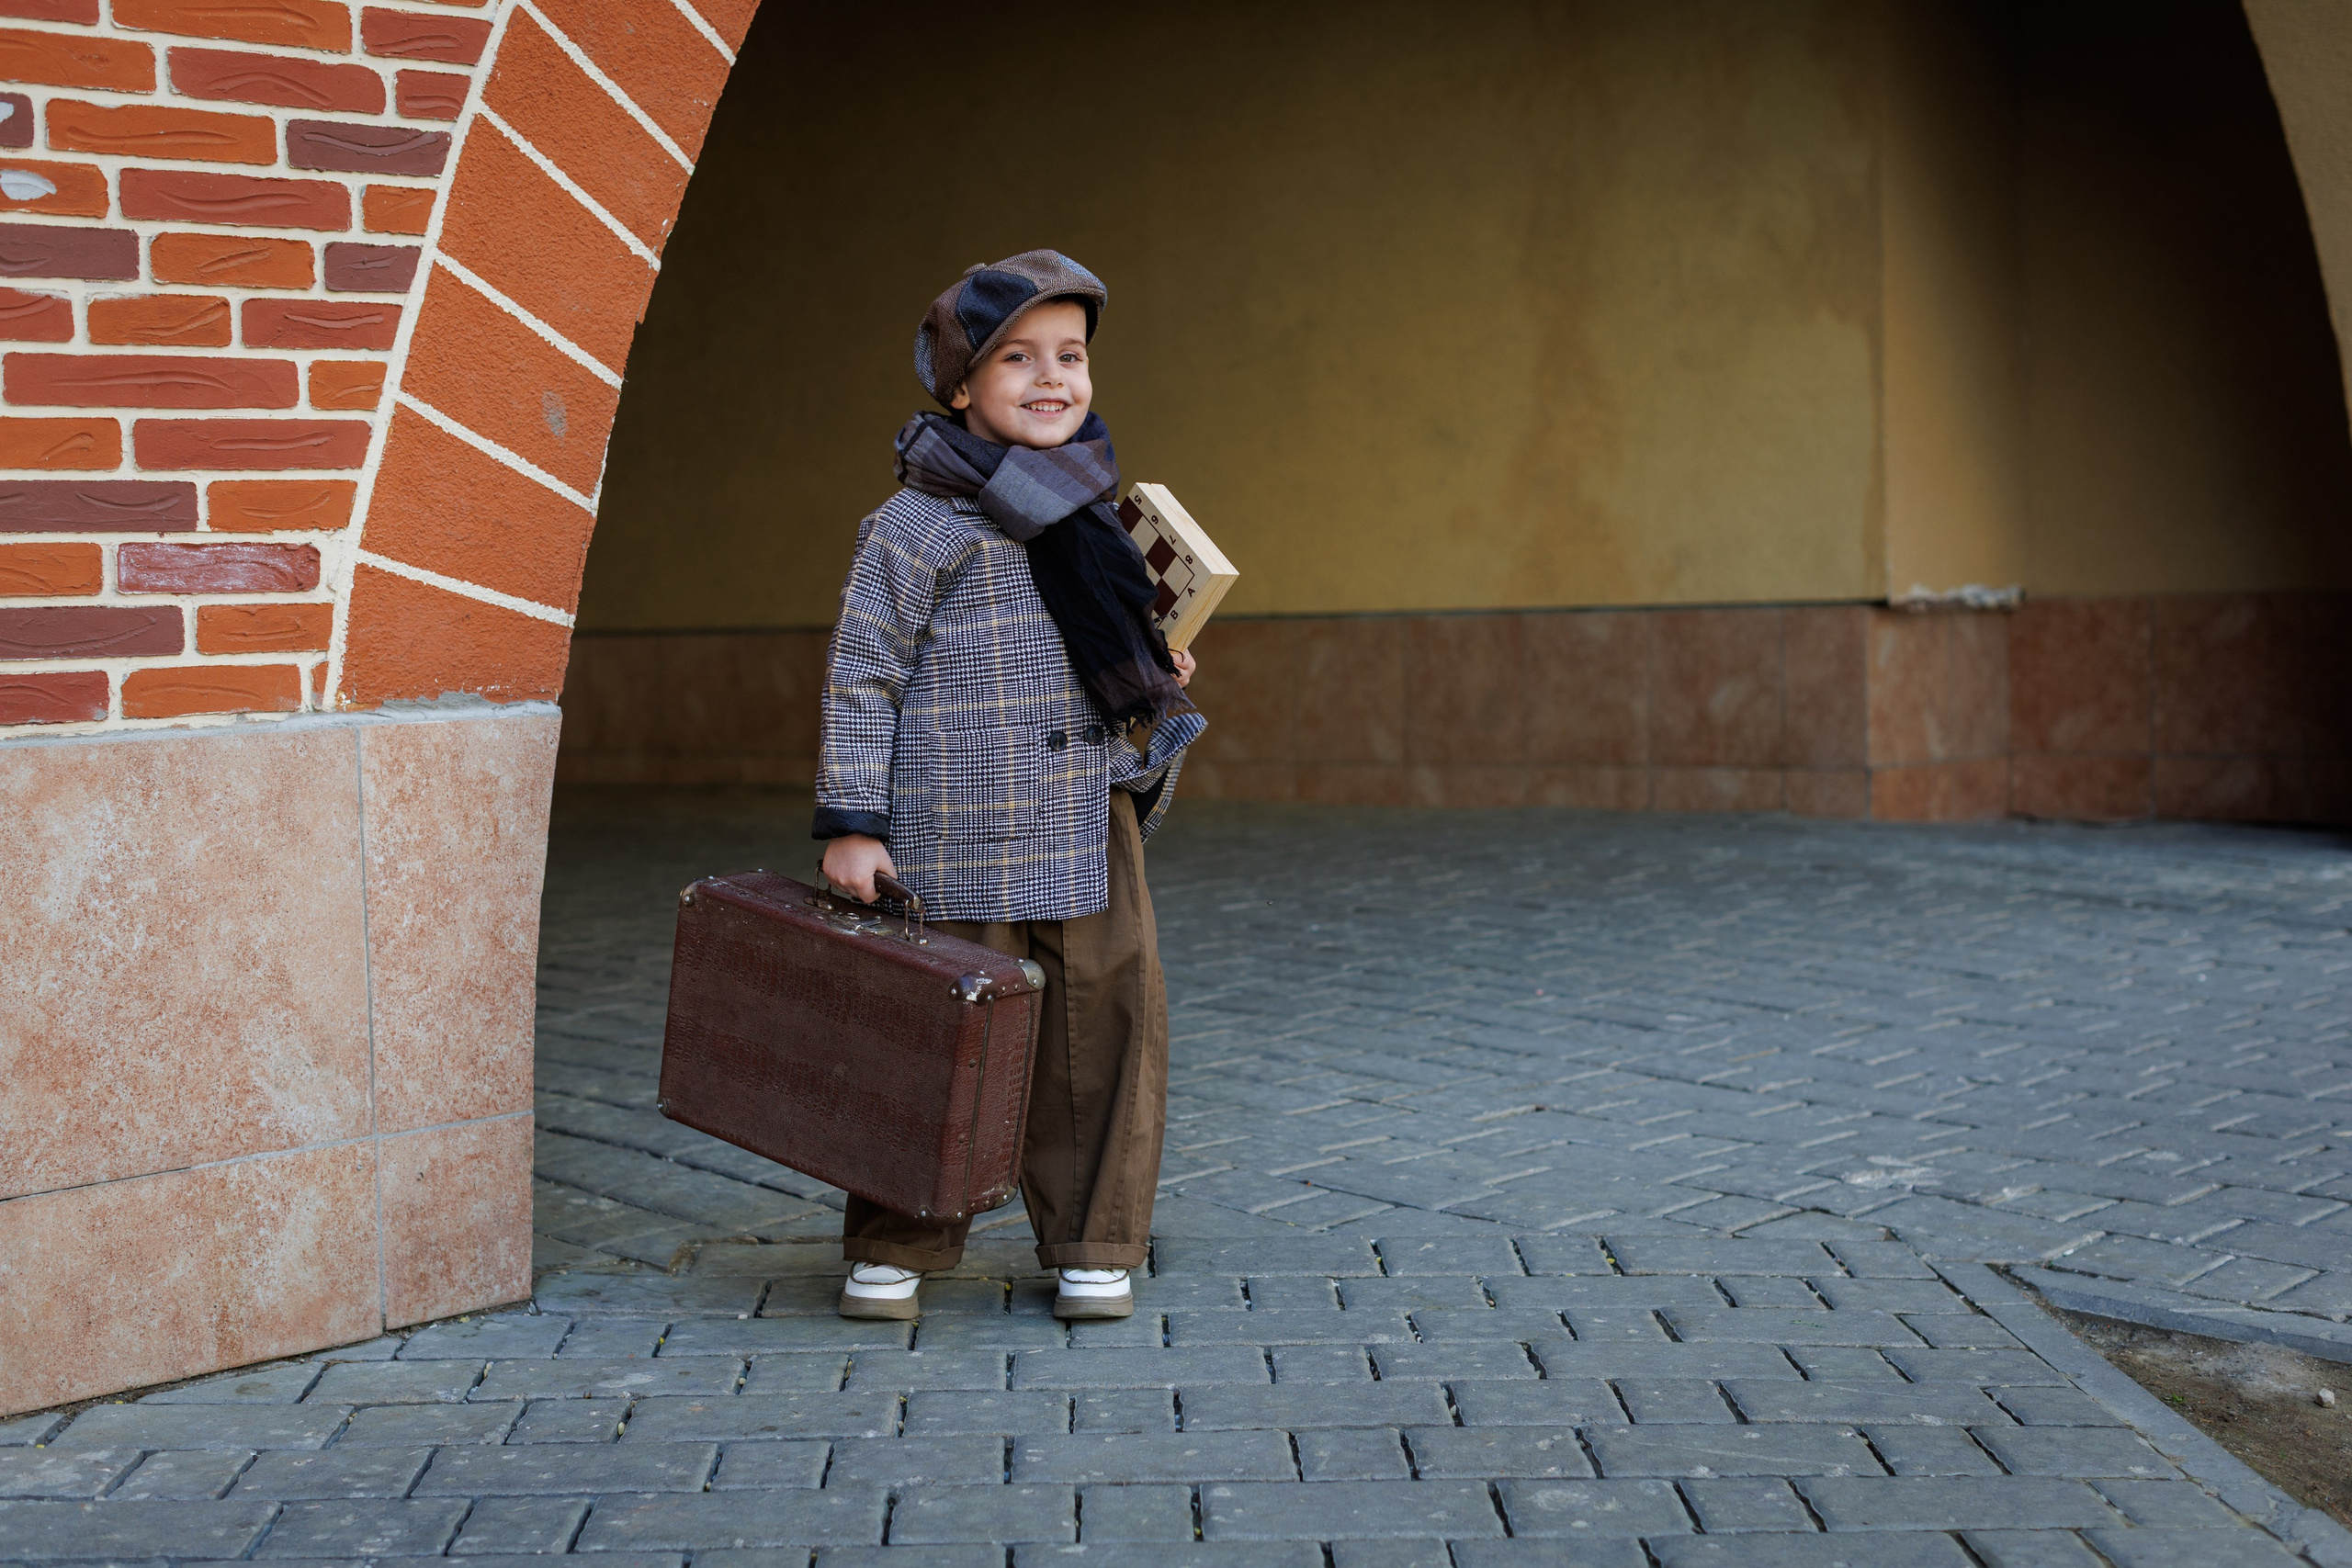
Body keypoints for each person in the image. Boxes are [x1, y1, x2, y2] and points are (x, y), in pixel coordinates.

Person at [813, 250, 1205, 1322]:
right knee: (935, 1033)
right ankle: (897, 1236)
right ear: (959, 386)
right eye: (1016, 358)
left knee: (1100, 1030)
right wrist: (853, 823)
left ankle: (1092, 1239)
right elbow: (863, 674)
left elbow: (1111, 651)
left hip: (1083, 813)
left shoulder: (1096, 517)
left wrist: (1155, 670)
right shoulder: (914, 525)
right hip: (952, 829)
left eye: (1070, 356)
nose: (1051, 378)